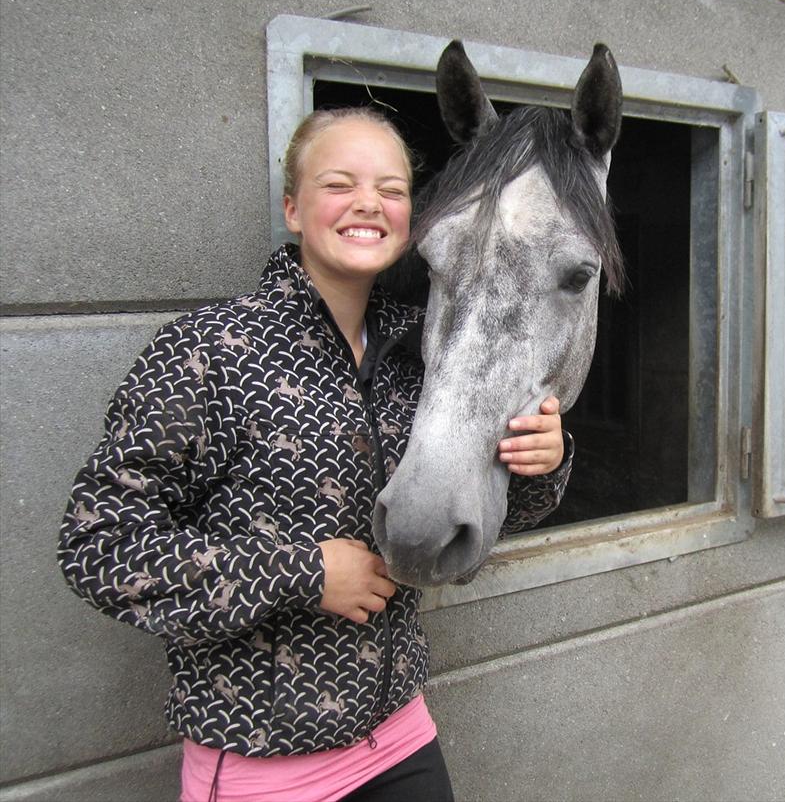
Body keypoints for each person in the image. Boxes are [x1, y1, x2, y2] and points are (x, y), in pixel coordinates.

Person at [58, 107, 572, 802]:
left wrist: (543, 461)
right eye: (339, 184)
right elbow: (99, 548)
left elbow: (481, 518)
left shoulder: (425, 352)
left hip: (402, 735)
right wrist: (303, 572)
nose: (368, 203)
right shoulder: (209, 351)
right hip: (263, 764)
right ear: (294, 209)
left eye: (391, 189)